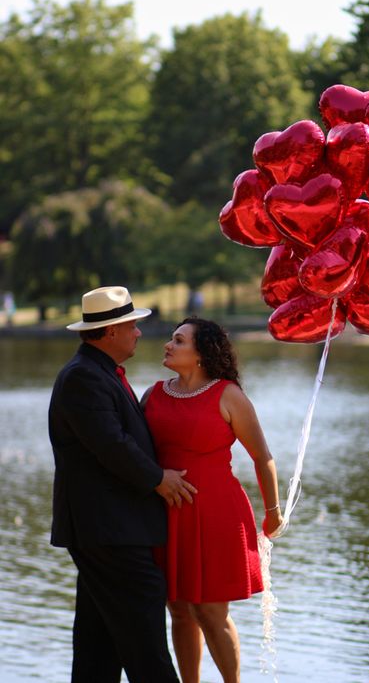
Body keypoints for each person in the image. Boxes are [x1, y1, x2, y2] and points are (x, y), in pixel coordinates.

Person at [48, 286, 197, 683]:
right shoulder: (83, 377)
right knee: (146, 641)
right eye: (132, 325)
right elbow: (111, 445)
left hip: (108, 529)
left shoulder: (97, 372)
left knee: (99, 644)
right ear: (111, 332)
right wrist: (158, 479)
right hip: (108, 531)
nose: (138, 333)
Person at [142, 317, 283, 683]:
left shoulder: (228, 395)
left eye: (178, 340)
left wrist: (273, 513)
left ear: (202, 353)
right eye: (171, 339)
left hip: (216, 515)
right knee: (179, 609)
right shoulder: (153, 394)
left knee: (209, 611)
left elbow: (263, 457)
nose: (168, 345)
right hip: (167, 514)